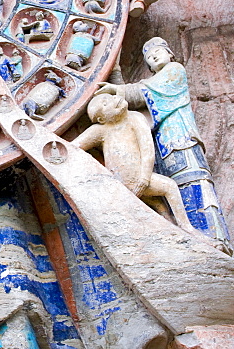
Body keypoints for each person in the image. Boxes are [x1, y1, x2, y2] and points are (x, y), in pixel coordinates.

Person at [97, 37, 230, 246]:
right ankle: (187, 235)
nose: (154, 56)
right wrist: (115, 76)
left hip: (181, 139)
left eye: (158, 51)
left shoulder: (174, 71)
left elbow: (142, 92)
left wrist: (118, 90)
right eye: (149, 57)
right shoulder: (154, 87)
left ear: (171, 54)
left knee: (193, 181)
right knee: (172, 189)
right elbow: (127, 107)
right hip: (163, 143)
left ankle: (214, 236)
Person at [73, 92, 198, 234]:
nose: (115, 100)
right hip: (121, 184)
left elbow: (147, 148)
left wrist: (144, 178)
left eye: (112, 97)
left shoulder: (134, 118)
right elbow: (73, 148)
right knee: (168, 188)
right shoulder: (100, 130)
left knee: (165, 191)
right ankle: (184, 227)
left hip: (139, 179)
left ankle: (180, 227)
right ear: (101, 119)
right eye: (106, 103)